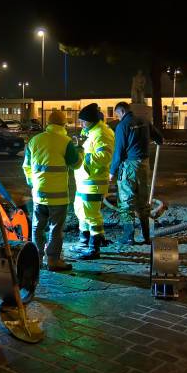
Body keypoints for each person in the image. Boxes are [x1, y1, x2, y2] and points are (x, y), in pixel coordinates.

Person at [22, 110, 82, 271]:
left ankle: (37, 259)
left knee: (37, 227)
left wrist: (33, 182)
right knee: (56, 229)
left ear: (48, 124)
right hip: (58, 197)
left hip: (39, 195)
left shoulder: (34, 140)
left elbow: (26, 166)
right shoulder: (65, 141)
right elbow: (76, 164)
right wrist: (79, 152)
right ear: (63, 125)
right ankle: (53, 261)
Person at [109, 102, 164, 245]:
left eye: (117, 115)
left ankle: (128, 236)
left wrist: (112, 172)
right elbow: (159, 138)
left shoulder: (122, 126)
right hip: (144, 165)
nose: (118, 117)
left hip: (129, 166)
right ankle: (146, 236)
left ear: (121, 111)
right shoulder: (144, 121)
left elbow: (119, 152)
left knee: (126, 202)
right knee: (143, 201)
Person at [74, 103, 114, 260]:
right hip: (86, 180)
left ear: (91, 120)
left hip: (93, 181)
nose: (81, 124)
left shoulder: (101, 134)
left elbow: (105, 157)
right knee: (80, 210)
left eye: (83, 121)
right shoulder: (93, 131)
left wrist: (83, 155)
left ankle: (93, 248)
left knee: (91, 214)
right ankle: (85, 242)